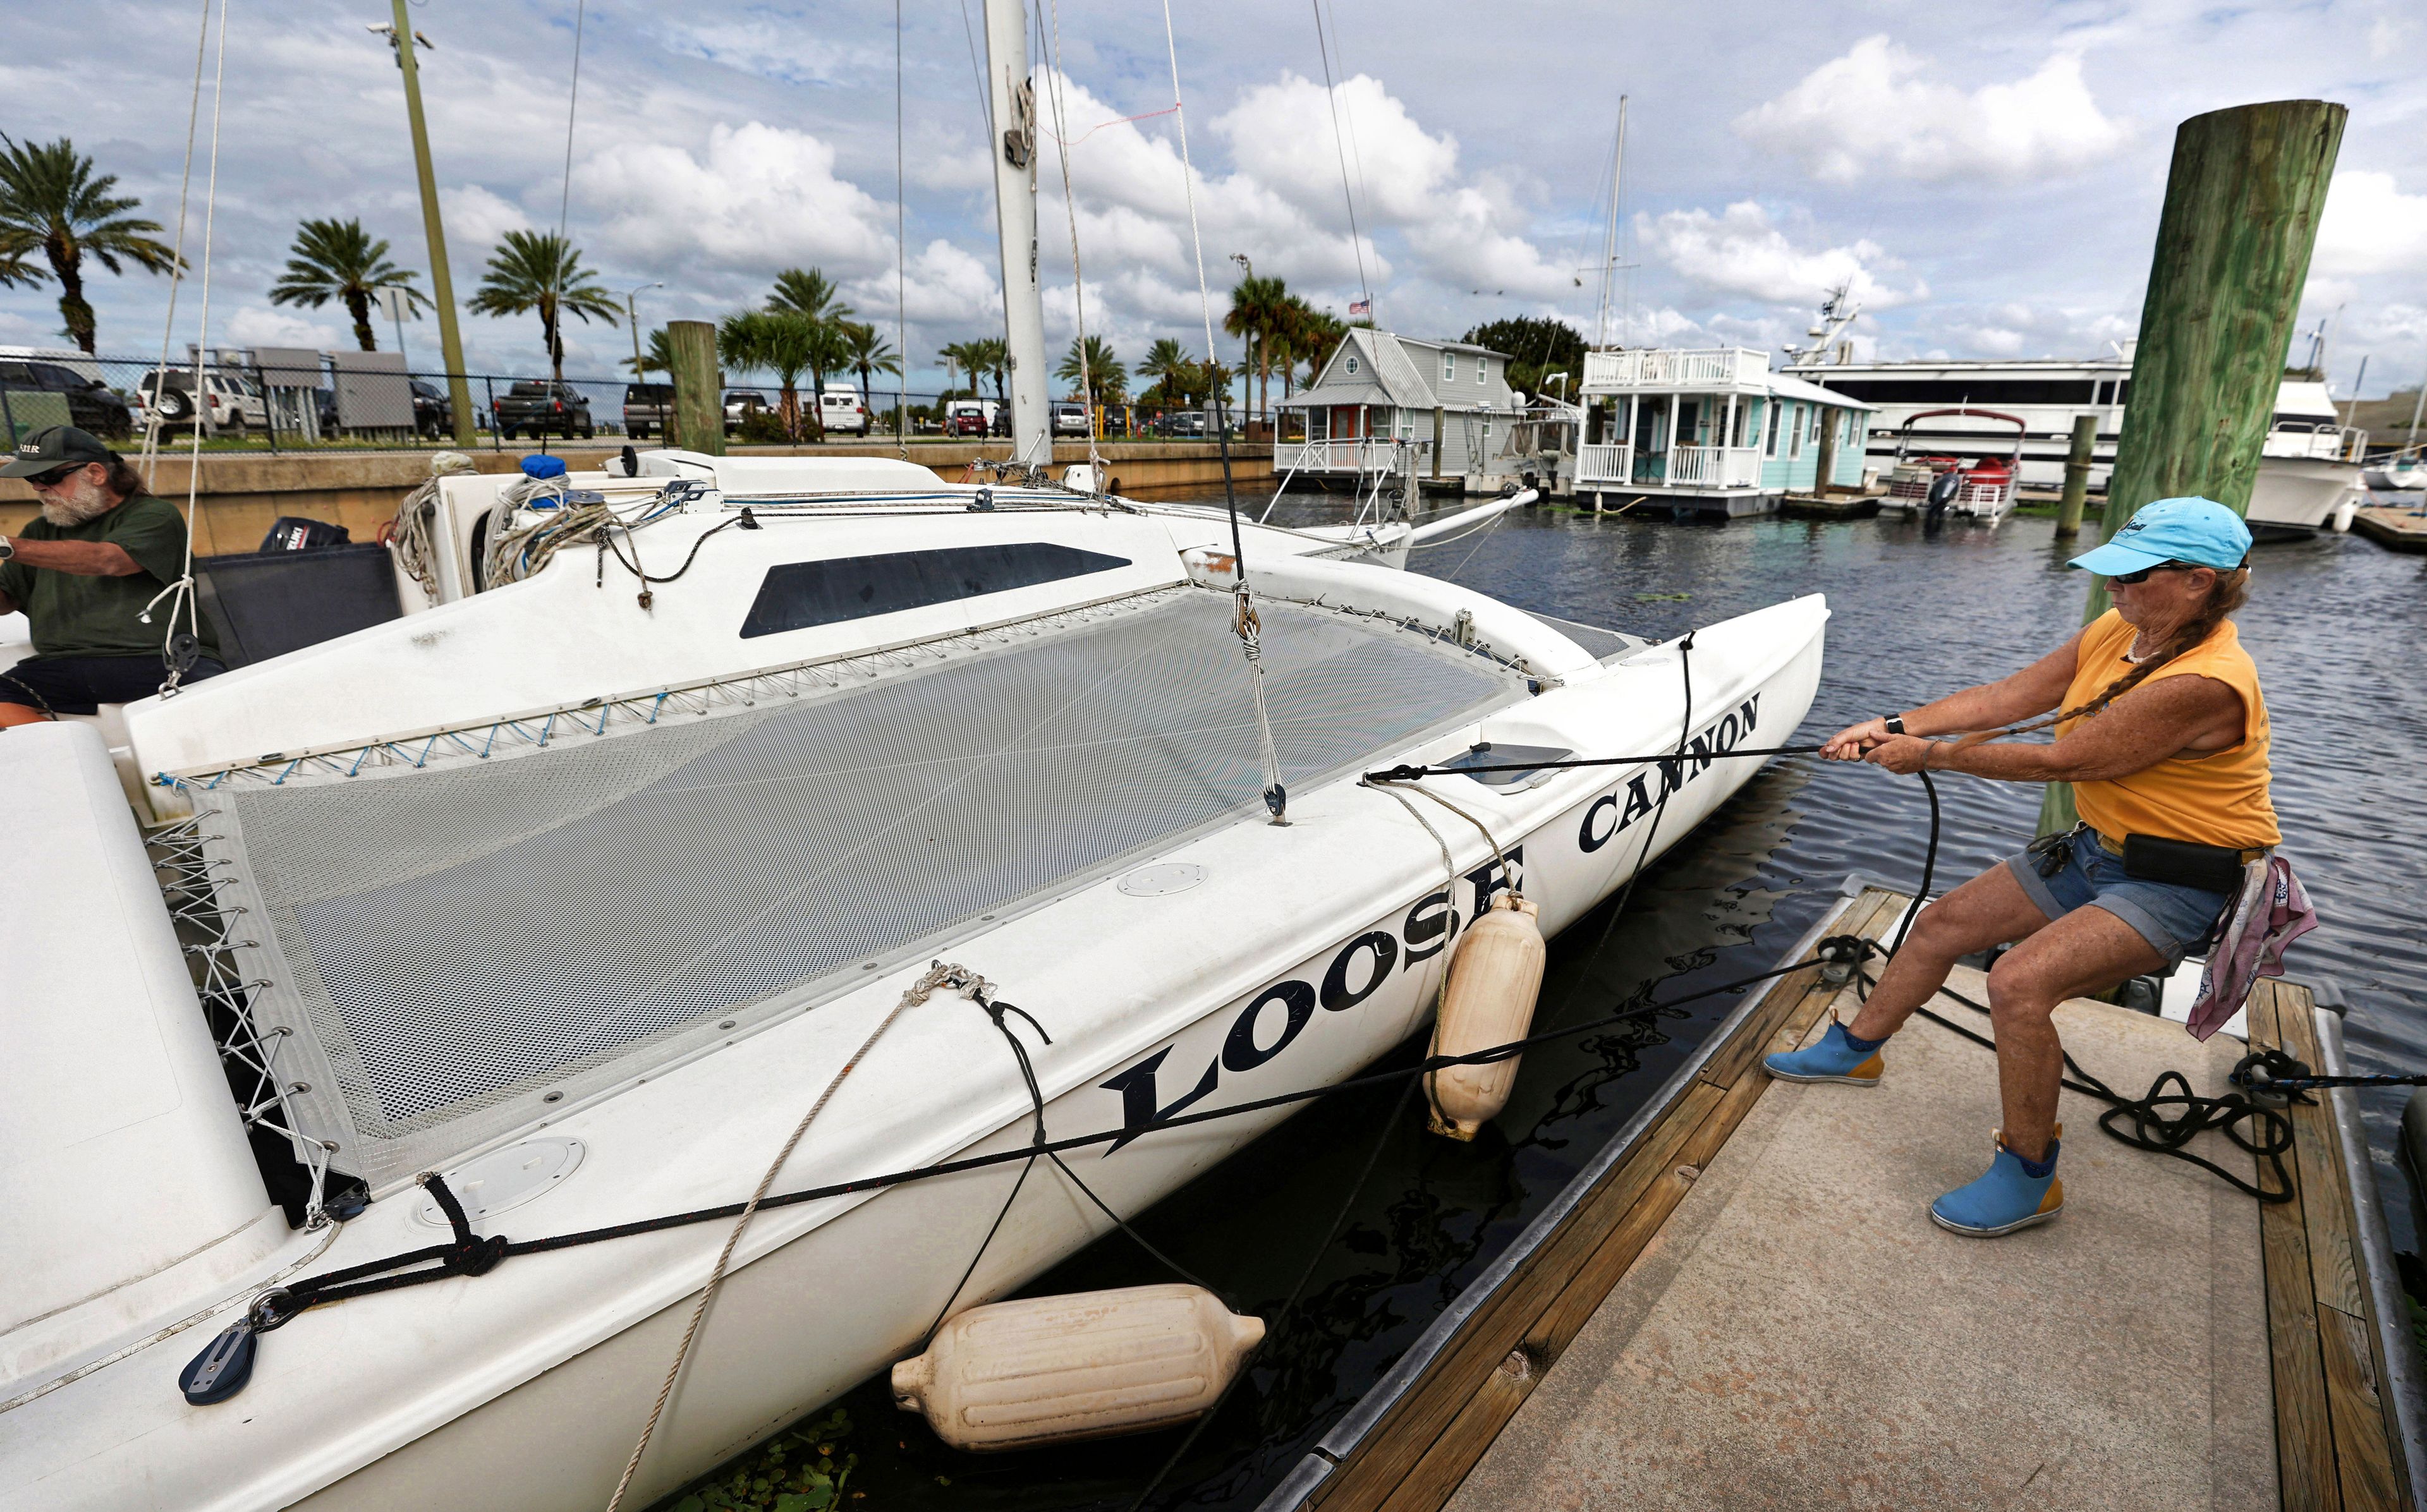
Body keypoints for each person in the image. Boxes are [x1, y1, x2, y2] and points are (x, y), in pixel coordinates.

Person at [1765, 497, 2277, 1238]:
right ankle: (1853, 1051)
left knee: (2018, 983)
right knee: (1943, 924)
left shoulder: (2204, 682)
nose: (2114, 588)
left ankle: (2030, 1173)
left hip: (2179, 877)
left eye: (2132, 576)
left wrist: (1930, 756)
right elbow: (2009, 697)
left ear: (2198, 581)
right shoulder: (2120, 629)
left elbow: (2064, 759)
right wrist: (1895, 724)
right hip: (2099, 847)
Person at [0, 425, 224, 727]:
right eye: (31, 478)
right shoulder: (39, 532)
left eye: (49, 477)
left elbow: (110, 560)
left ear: (96, 473)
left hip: (157, 659)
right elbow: (5, 600)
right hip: (65, 666)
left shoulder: (155, 516)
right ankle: (81, 763)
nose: (38, 487)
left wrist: (6, 547)